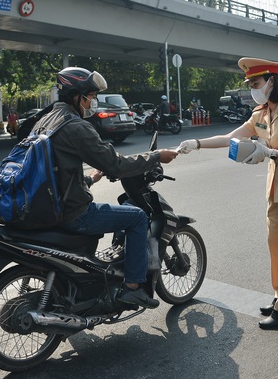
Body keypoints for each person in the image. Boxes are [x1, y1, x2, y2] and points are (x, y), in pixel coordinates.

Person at [178, 57, 278, 329]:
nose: (253, 88)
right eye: (251, 84)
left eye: (256, 83)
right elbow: (231, 138)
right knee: (275, 248)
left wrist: (272, 152)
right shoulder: (261, 114)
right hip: (276, 188)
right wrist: (196, 143)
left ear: (271, 82)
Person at [33, 67, 178, 309]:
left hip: (45, 208)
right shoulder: (75, 126)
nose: (94, 101)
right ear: (77, 96)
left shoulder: (44, 121)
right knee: (137, 217)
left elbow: (52, 171)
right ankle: (132, 288)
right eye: (91, 96)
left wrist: (89, 180)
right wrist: (155, 157)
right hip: (73, 214)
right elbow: (116, 164)